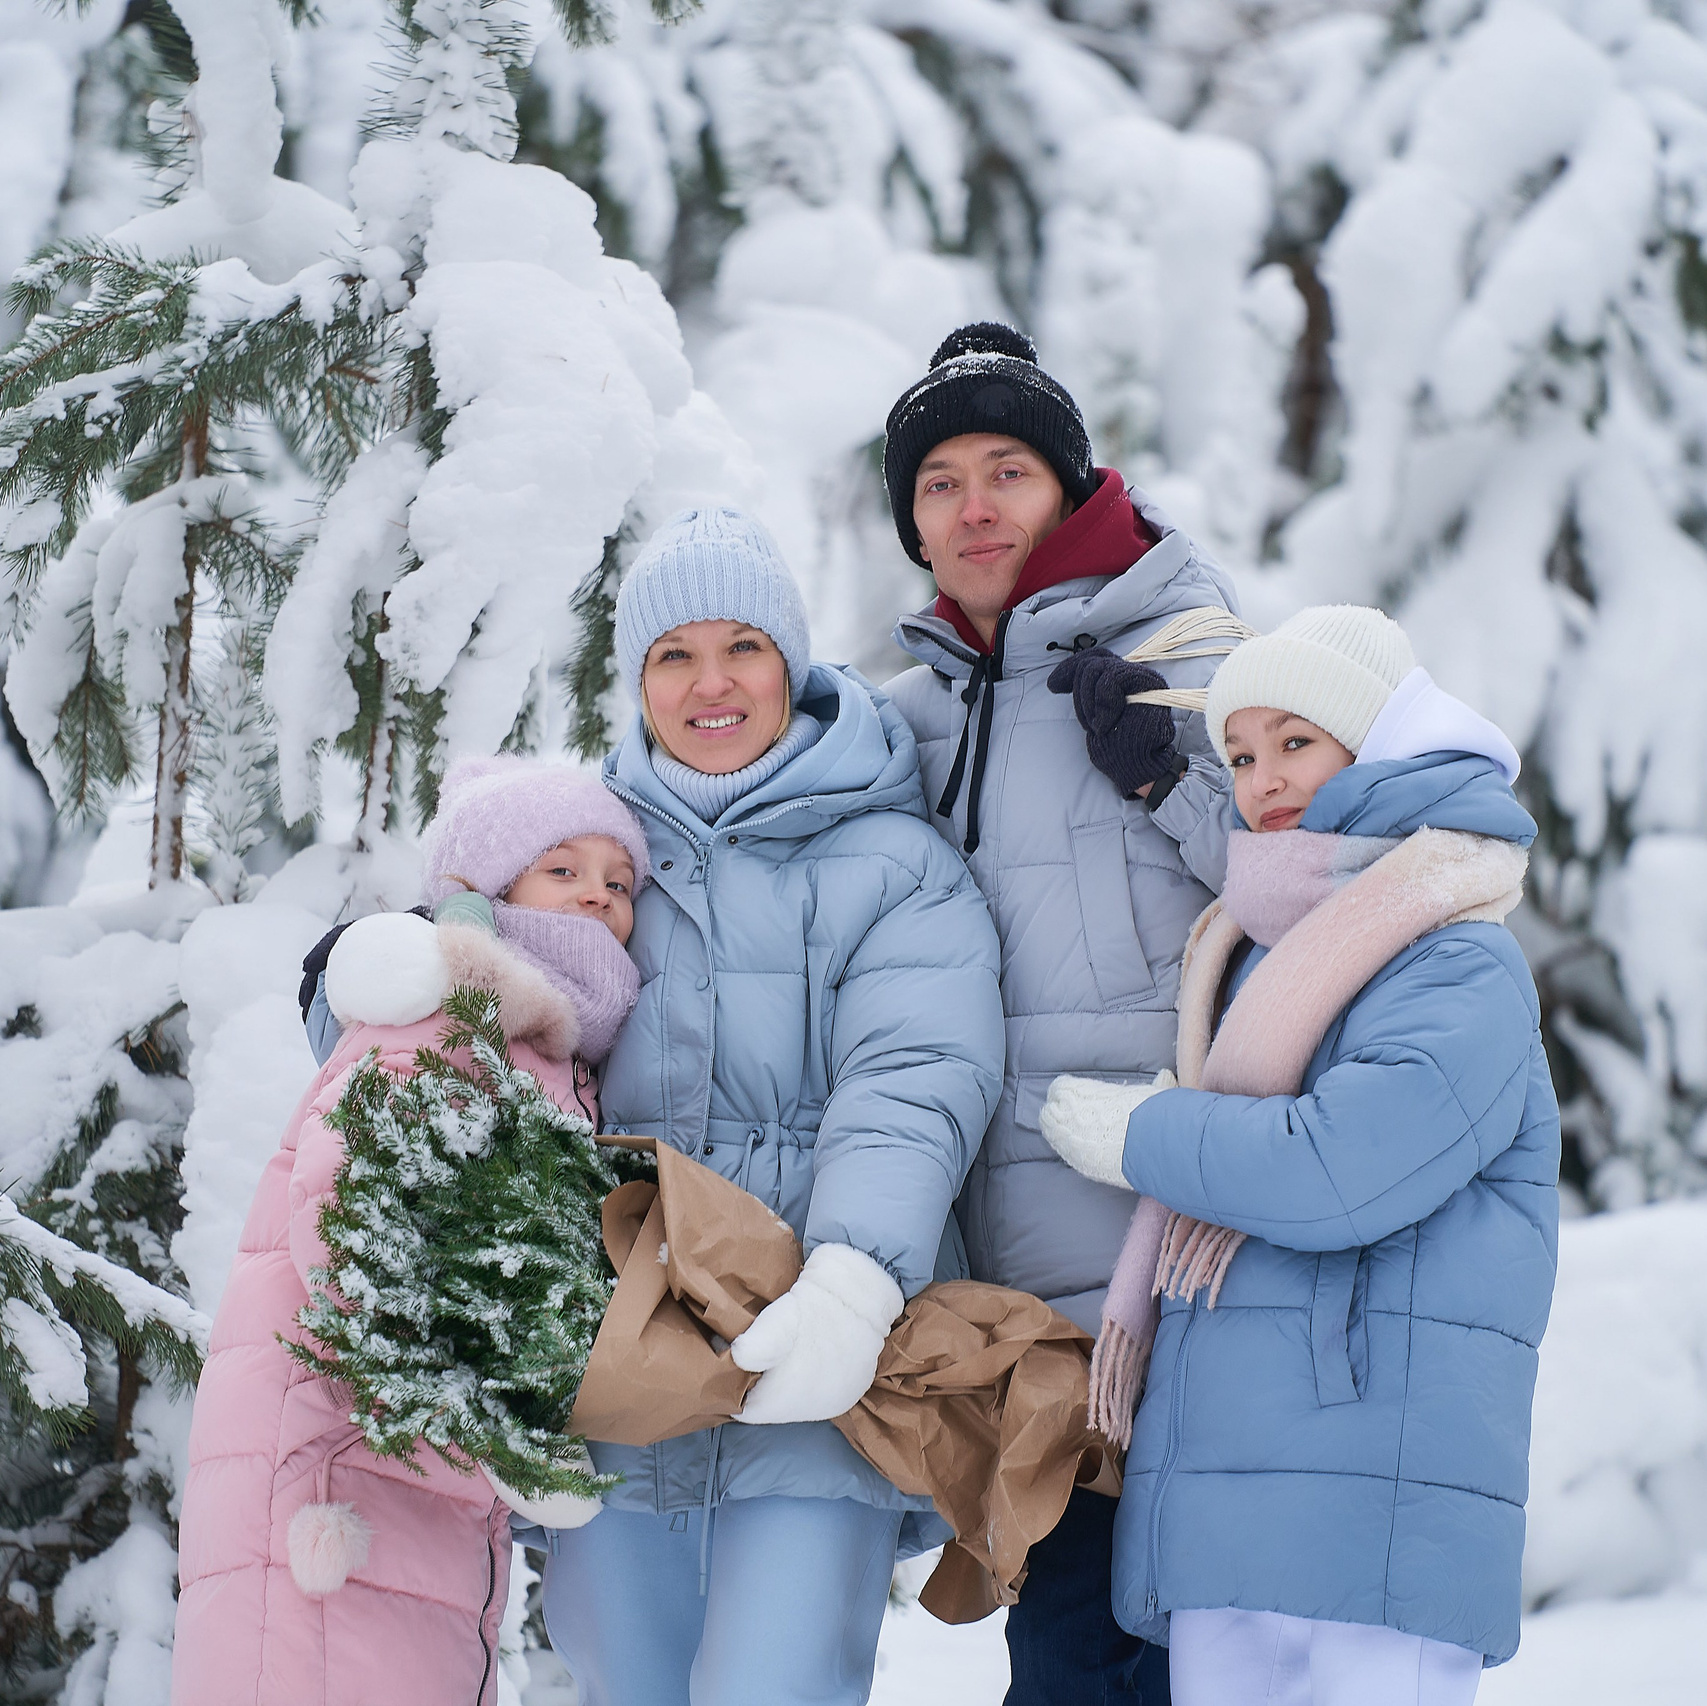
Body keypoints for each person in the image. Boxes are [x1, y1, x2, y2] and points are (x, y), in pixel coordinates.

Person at [525, 503, 1006, 1706]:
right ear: (637, 681)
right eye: (672, 655)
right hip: (616, 1368)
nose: (711, 683)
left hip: (812, 1364)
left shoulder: (896, 863)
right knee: (622, 1679)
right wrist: (362, 974)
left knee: (776, 1685)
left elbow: (914, 1080)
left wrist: (855, 1275)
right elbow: (468, 1015)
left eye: (742, 645)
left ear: (792, 660)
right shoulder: (585, 851)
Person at [1039, 606, 1561, 1706]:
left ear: (1375, 744)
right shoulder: (1256, 944)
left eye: (1296, 741)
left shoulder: (1454, 952)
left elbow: (1340, 1166)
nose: (1262, 778)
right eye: (1238, 753)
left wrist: (1146, 1136)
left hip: (1374, 1494)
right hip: (1238, 1491)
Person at [882, 320, 1238, 1702]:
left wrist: (1168, 776)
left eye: (1006, 469)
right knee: (1072, 1660)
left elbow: (1325, 878)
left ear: (1068, 486)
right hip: (1020, 1319)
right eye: (938, 483)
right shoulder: (901, 718)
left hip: (1185, 1267)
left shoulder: (1188, 646)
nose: (974, 507)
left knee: (1189, 1655)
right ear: (912, 525)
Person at [172, 762, 653, 1706]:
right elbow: (349, 1235)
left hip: (407, 1486)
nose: (598, 890)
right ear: (487, 890)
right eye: (562, 868)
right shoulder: (443, 1017)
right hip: (333, 1485)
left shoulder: (532, 1048)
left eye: (620, 878)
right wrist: (495, 1437)